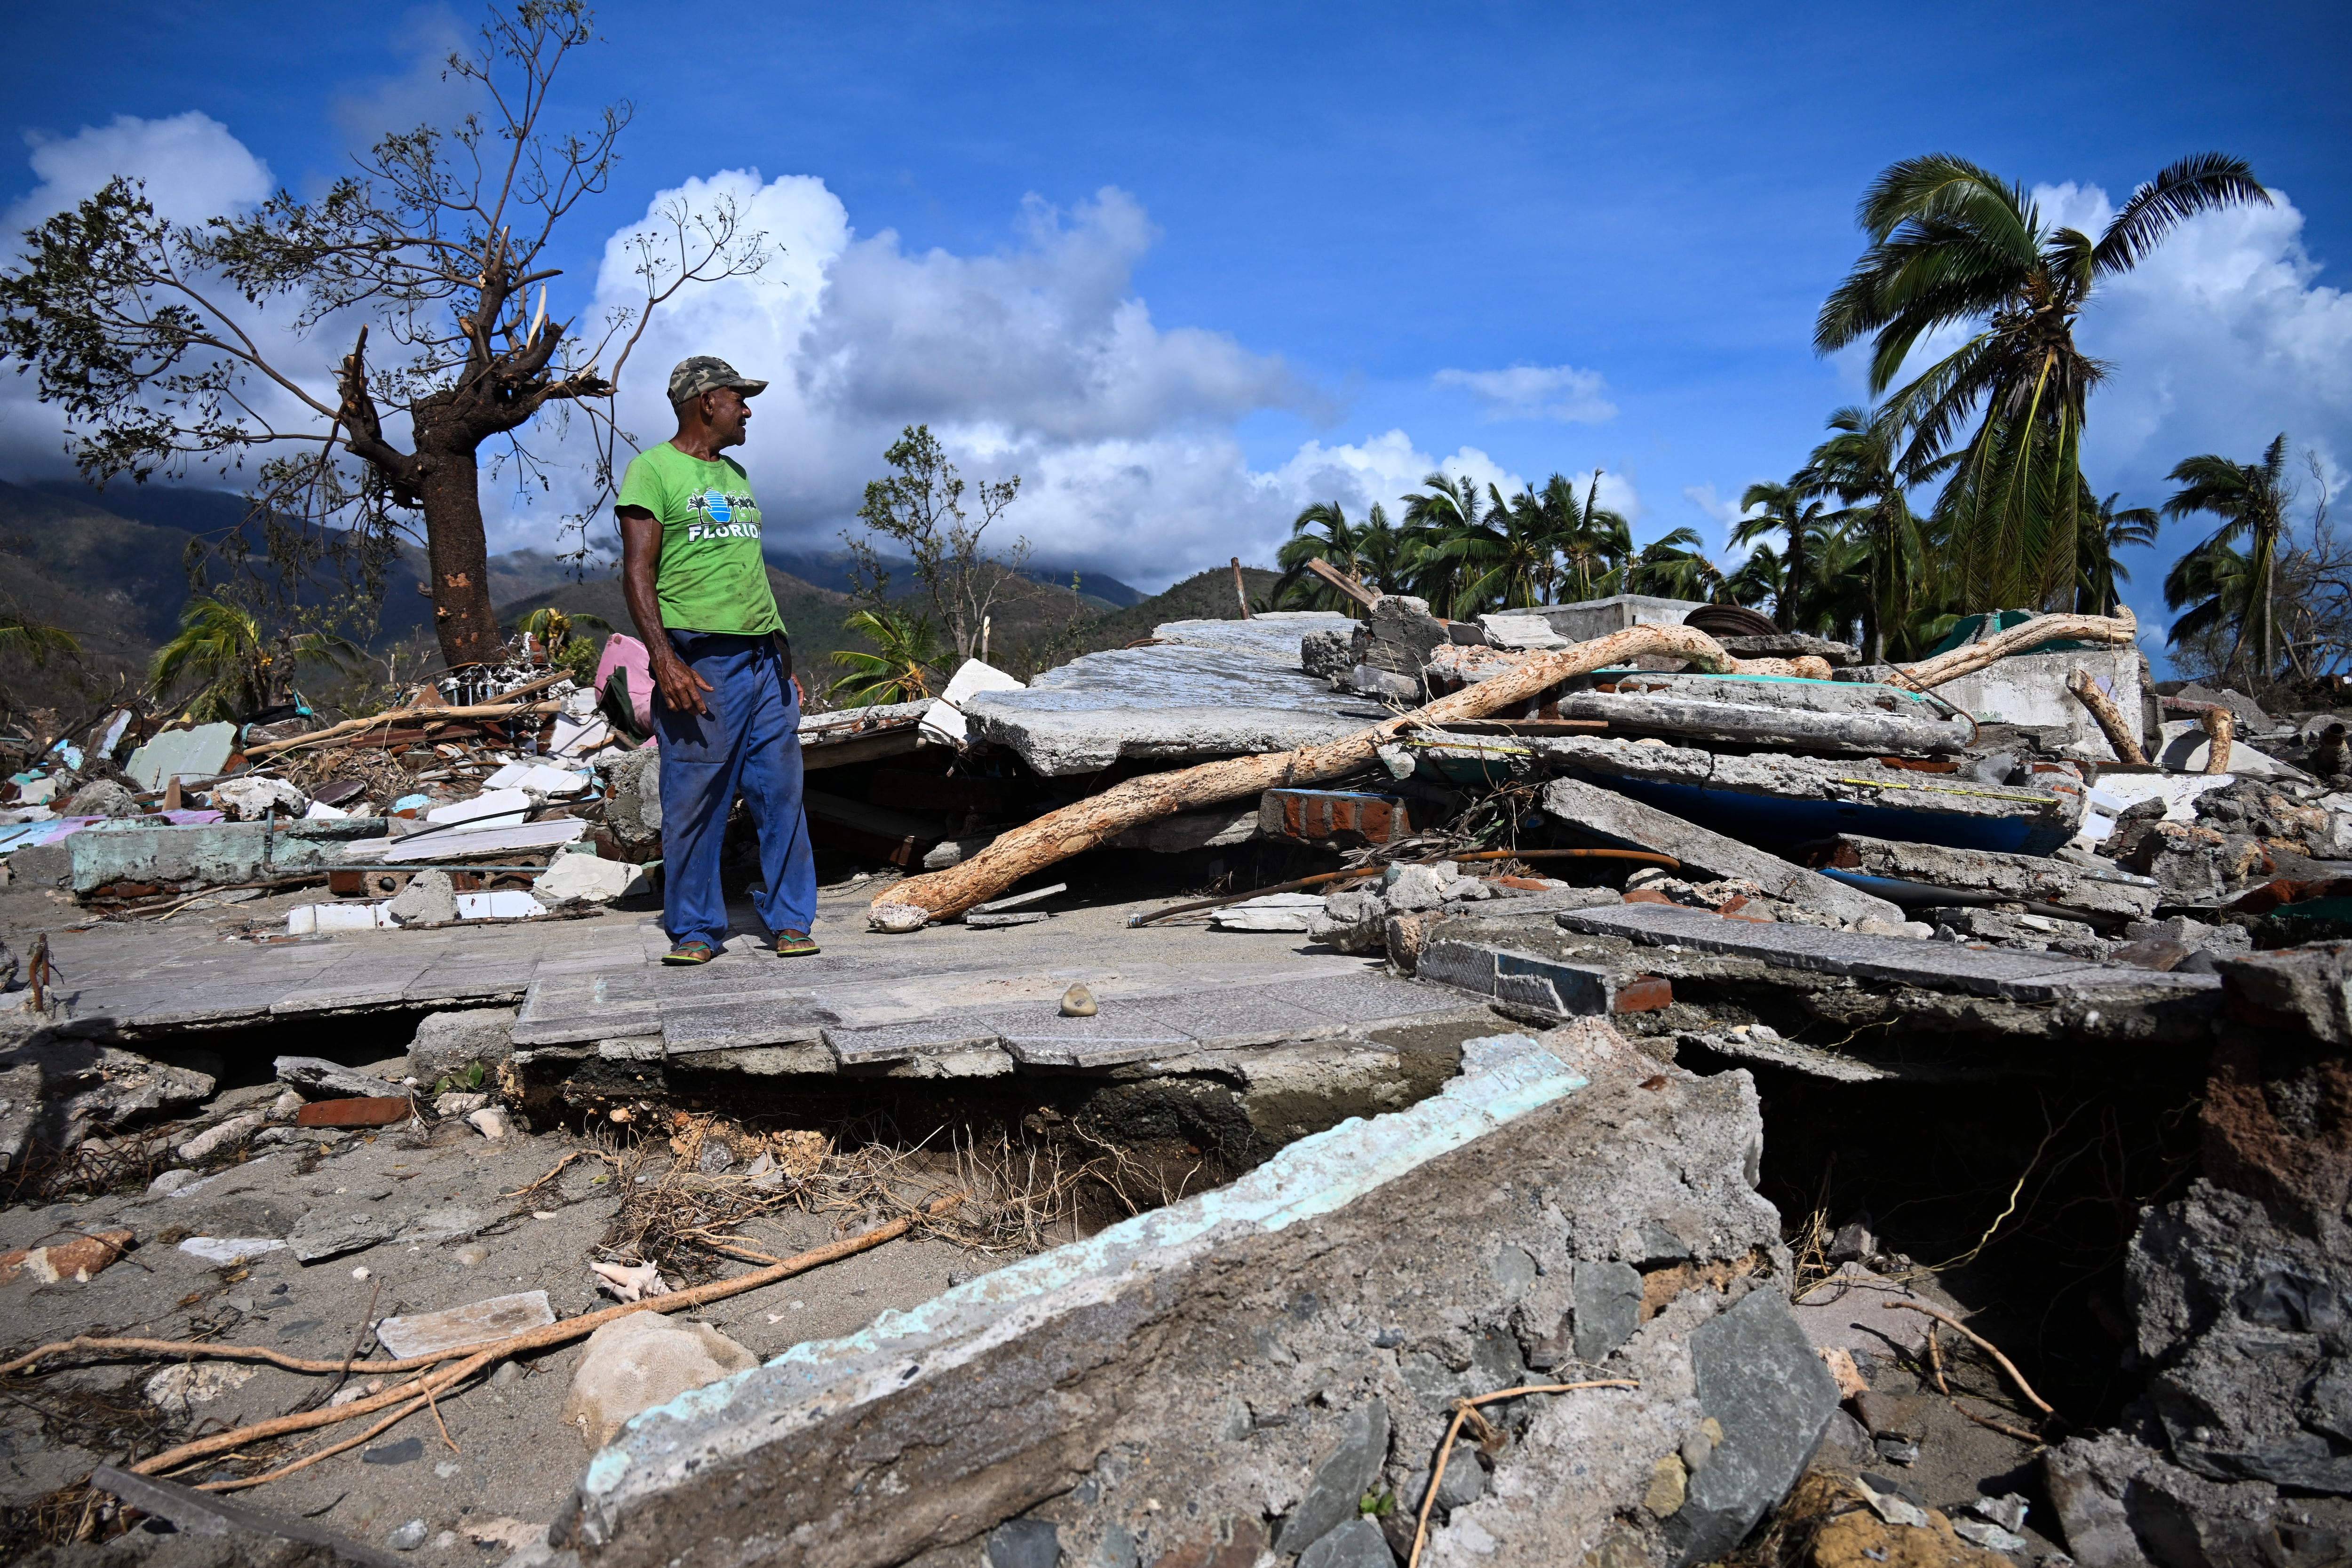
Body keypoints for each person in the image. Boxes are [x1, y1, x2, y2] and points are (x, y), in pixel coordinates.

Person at [616, 356, 818, 964]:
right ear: (706, 401)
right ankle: (698, 929)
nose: (747, 409)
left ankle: (790, 920)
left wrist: (778, 653)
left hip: (764, 665)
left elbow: (744, 574)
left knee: (780, 794)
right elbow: (636, 571)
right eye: (739, 398)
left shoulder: (736, 473)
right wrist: (665, 659)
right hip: (702, 665)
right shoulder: (652, 470)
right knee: (696, 798)